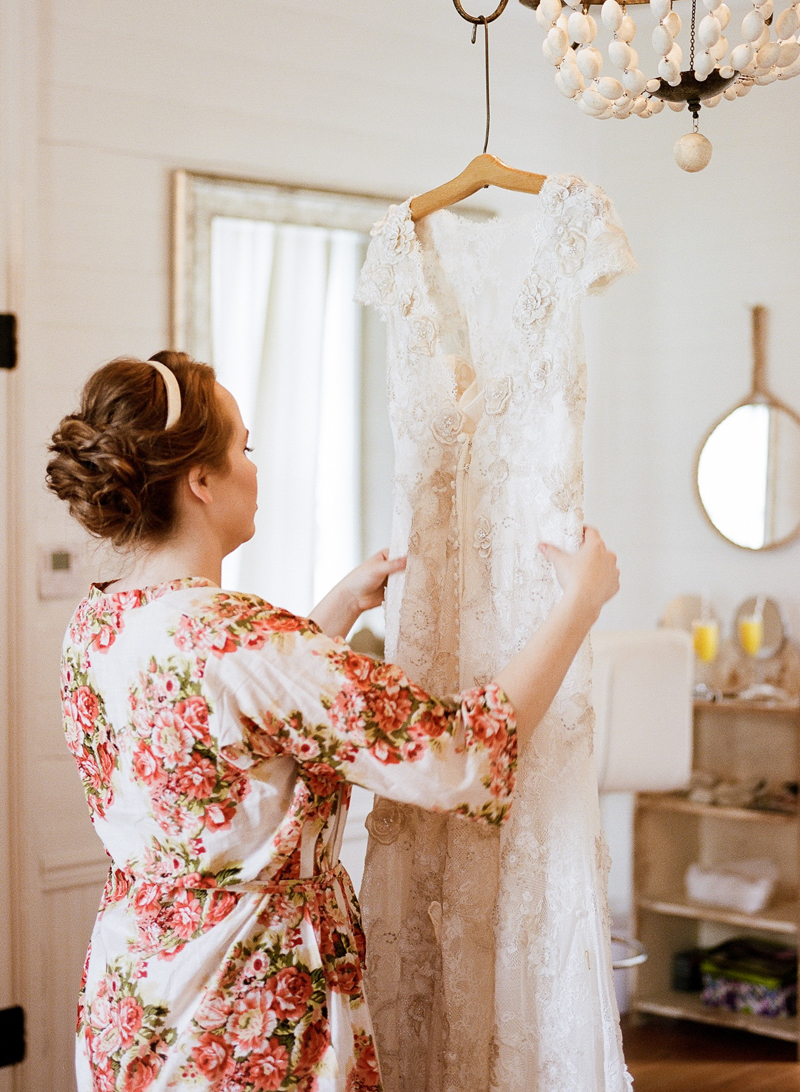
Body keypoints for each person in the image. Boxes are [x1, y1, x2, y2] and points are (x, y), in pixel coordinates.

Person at [46, 351, 619, 1092]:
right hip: (243, 1012)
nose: (255, 467)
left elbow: (228, 733)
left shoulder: (100, 622)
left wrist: (337, 611)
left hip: (135, 997)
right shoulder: (247, 641)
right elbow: (458, 757)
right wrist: (579, 603)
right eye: (242, 448)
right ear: (200, 481)